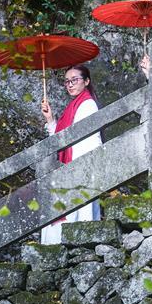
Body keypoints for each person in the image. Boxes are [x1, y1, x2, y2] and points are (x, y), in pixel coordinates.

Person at [39, 65, 102, 245]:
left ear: (86, 81)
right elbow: (62, 138)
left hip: (80, 164)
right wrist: (50, 120)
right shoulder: (73, 106)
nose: (70, 84)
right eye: (67, 81)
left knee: (80, 212)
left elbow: (85, 140)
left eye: (74, 80)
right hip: (72, 165)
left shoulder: (87, 104)